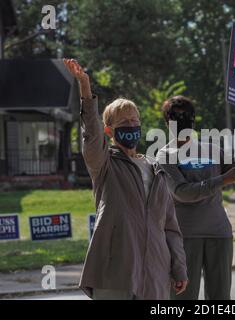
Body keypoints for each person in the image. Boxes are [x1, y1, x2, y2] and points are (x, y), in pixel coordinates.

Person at [63, 59, 188, 300]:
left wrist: (179, 267)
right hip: (115, 275)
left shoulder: (156, 169)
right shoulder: (103, 163)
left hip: (155, 276)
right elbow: (91, 134)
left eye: (134, 121)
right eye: (122, 122)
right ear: (109, 131)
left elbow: (170, 227)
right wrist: (85, 89)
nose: (130, 126)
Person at [156, 95, 235, 300]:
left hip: (219, 235)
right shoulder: (164, 155)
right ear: (167, 122)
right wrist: (223, 180)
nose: (183, 120)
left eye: (187, 115)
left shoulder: (211, 149)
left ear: (194, 119)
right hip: (184, 238)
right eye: (176, 117)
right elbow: (182, 192)